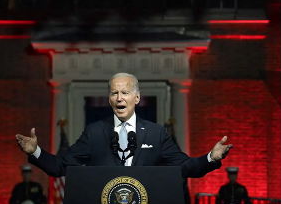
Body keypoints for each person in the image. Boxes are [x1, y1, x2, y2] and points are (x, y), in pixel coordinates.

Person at [15, 73, 232, 178]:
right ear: (109, 99)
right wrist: (36, 152)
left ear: (136, 98)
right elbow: (61, 166)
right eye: (114, 93)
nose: (119, 98)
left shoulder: (156, 134)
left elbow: (185, 167)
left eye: (125, 93)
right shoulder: (94, 132)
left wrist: (210, 158)